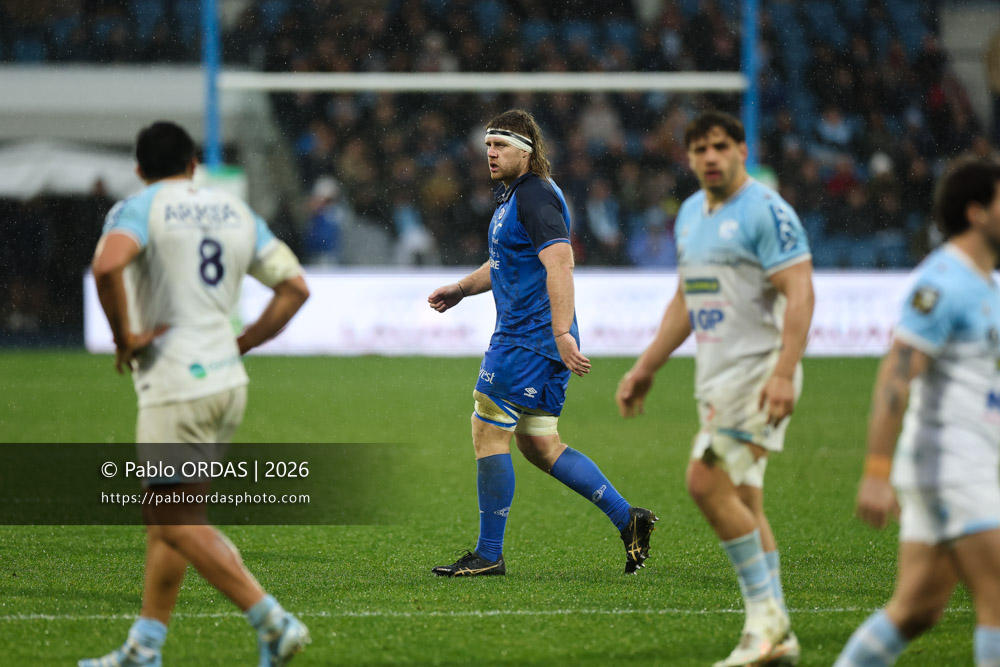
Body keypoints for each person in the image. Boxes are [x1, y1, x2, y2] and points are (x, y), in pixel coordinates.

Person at [82, 121, 311, 667]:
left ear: (139, 170)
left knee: (173, 518)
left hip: (176, 383)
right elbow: (295, 288)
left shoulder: (139, 208)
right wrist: (243, 341)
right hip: (226, 382)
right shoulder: (233, 210)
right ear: (192, 165)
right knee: (172, 518)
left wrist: (125, 338)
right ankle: (146, 645)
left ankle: (272, 621)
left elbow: (106, 265)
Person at [616, 111, 814, 666]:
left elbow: (800, 292)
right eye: (700, 148)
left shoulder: (766, 211)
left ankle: (763, 627)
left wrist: (782, 372)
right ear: (688, 157)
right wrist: (646, 367)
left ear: (742, 150)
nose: (710, 156)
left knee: (703, 480)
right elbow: (686, 299)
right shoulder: (688, 215)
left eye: (721, 146)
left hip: (758, 375)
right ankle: (779, 634)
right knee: (744, 500)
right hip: (716, 378)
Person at [427, 109, 657, 577]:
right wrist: (462, 289)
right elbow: (504, 262)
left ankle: (489, 554)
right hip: (535, 337)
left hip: (528, 338)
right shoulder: (515, 199)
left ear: (527, 152)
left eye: (502, 146)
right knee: (539, 443)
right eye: (488, 146)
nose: (491, 153)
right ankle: (628, 519)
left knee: (488, 428)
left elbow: (561, 264)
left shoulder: (534, 197)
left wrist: (561, 334)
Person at [834, 158, 1000, 667]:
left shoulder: (984, 282)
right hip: (952, 467)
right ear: (976, 213)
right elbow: (896, 374)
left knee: (917, 610)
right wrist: (876, 472)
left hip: (960, 465)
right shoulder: (945, 283)